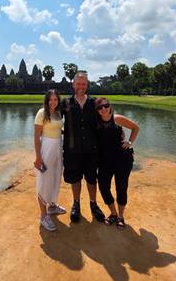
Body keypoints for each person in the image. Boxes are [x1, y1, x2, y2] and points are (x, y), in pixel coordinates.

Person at [61, 72, 105, 223]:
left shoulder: (94, 103)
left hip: (91, 149)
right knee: (75, 178)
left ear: (87, 85)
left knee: (92, 179)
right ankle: (76, 204)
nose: (81, 86)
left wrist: (120, 134)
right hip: (72, 150)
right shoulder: (65, 103)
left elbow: (105, 119)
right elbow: (53, 119)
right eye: (78, 83)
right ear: (73, 84)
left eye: (83, 84)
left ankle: (93, 204)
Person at [95, 97, 139, 229]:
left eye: (106, 106)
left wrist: (129, 142)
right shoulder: (96, 123)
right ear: (97, 110)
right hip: (105, 161)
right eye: (100, 107)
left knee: (121, 187)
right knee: (103, 187)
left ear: (110, 106)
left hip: (123, 159)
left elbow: (135, 128)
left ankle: (120, 216)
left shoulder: (117, 118)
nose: (103, 109)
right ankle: (113, 213)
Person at [34, 89, 66, 231]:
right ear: (46, 101)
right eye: (50, 100)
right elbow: (36, 136)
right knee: (44, 180)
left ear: (58, 100)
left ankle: (52, 205)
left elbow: (59, 129)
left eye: (55, 99)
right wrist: (38, 158)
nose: (53, 102)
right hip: (46, 148)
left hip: (58, 147)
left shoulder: (58, 113)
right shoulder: (42, 113)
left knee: (55, 177)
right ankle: (43, 215)